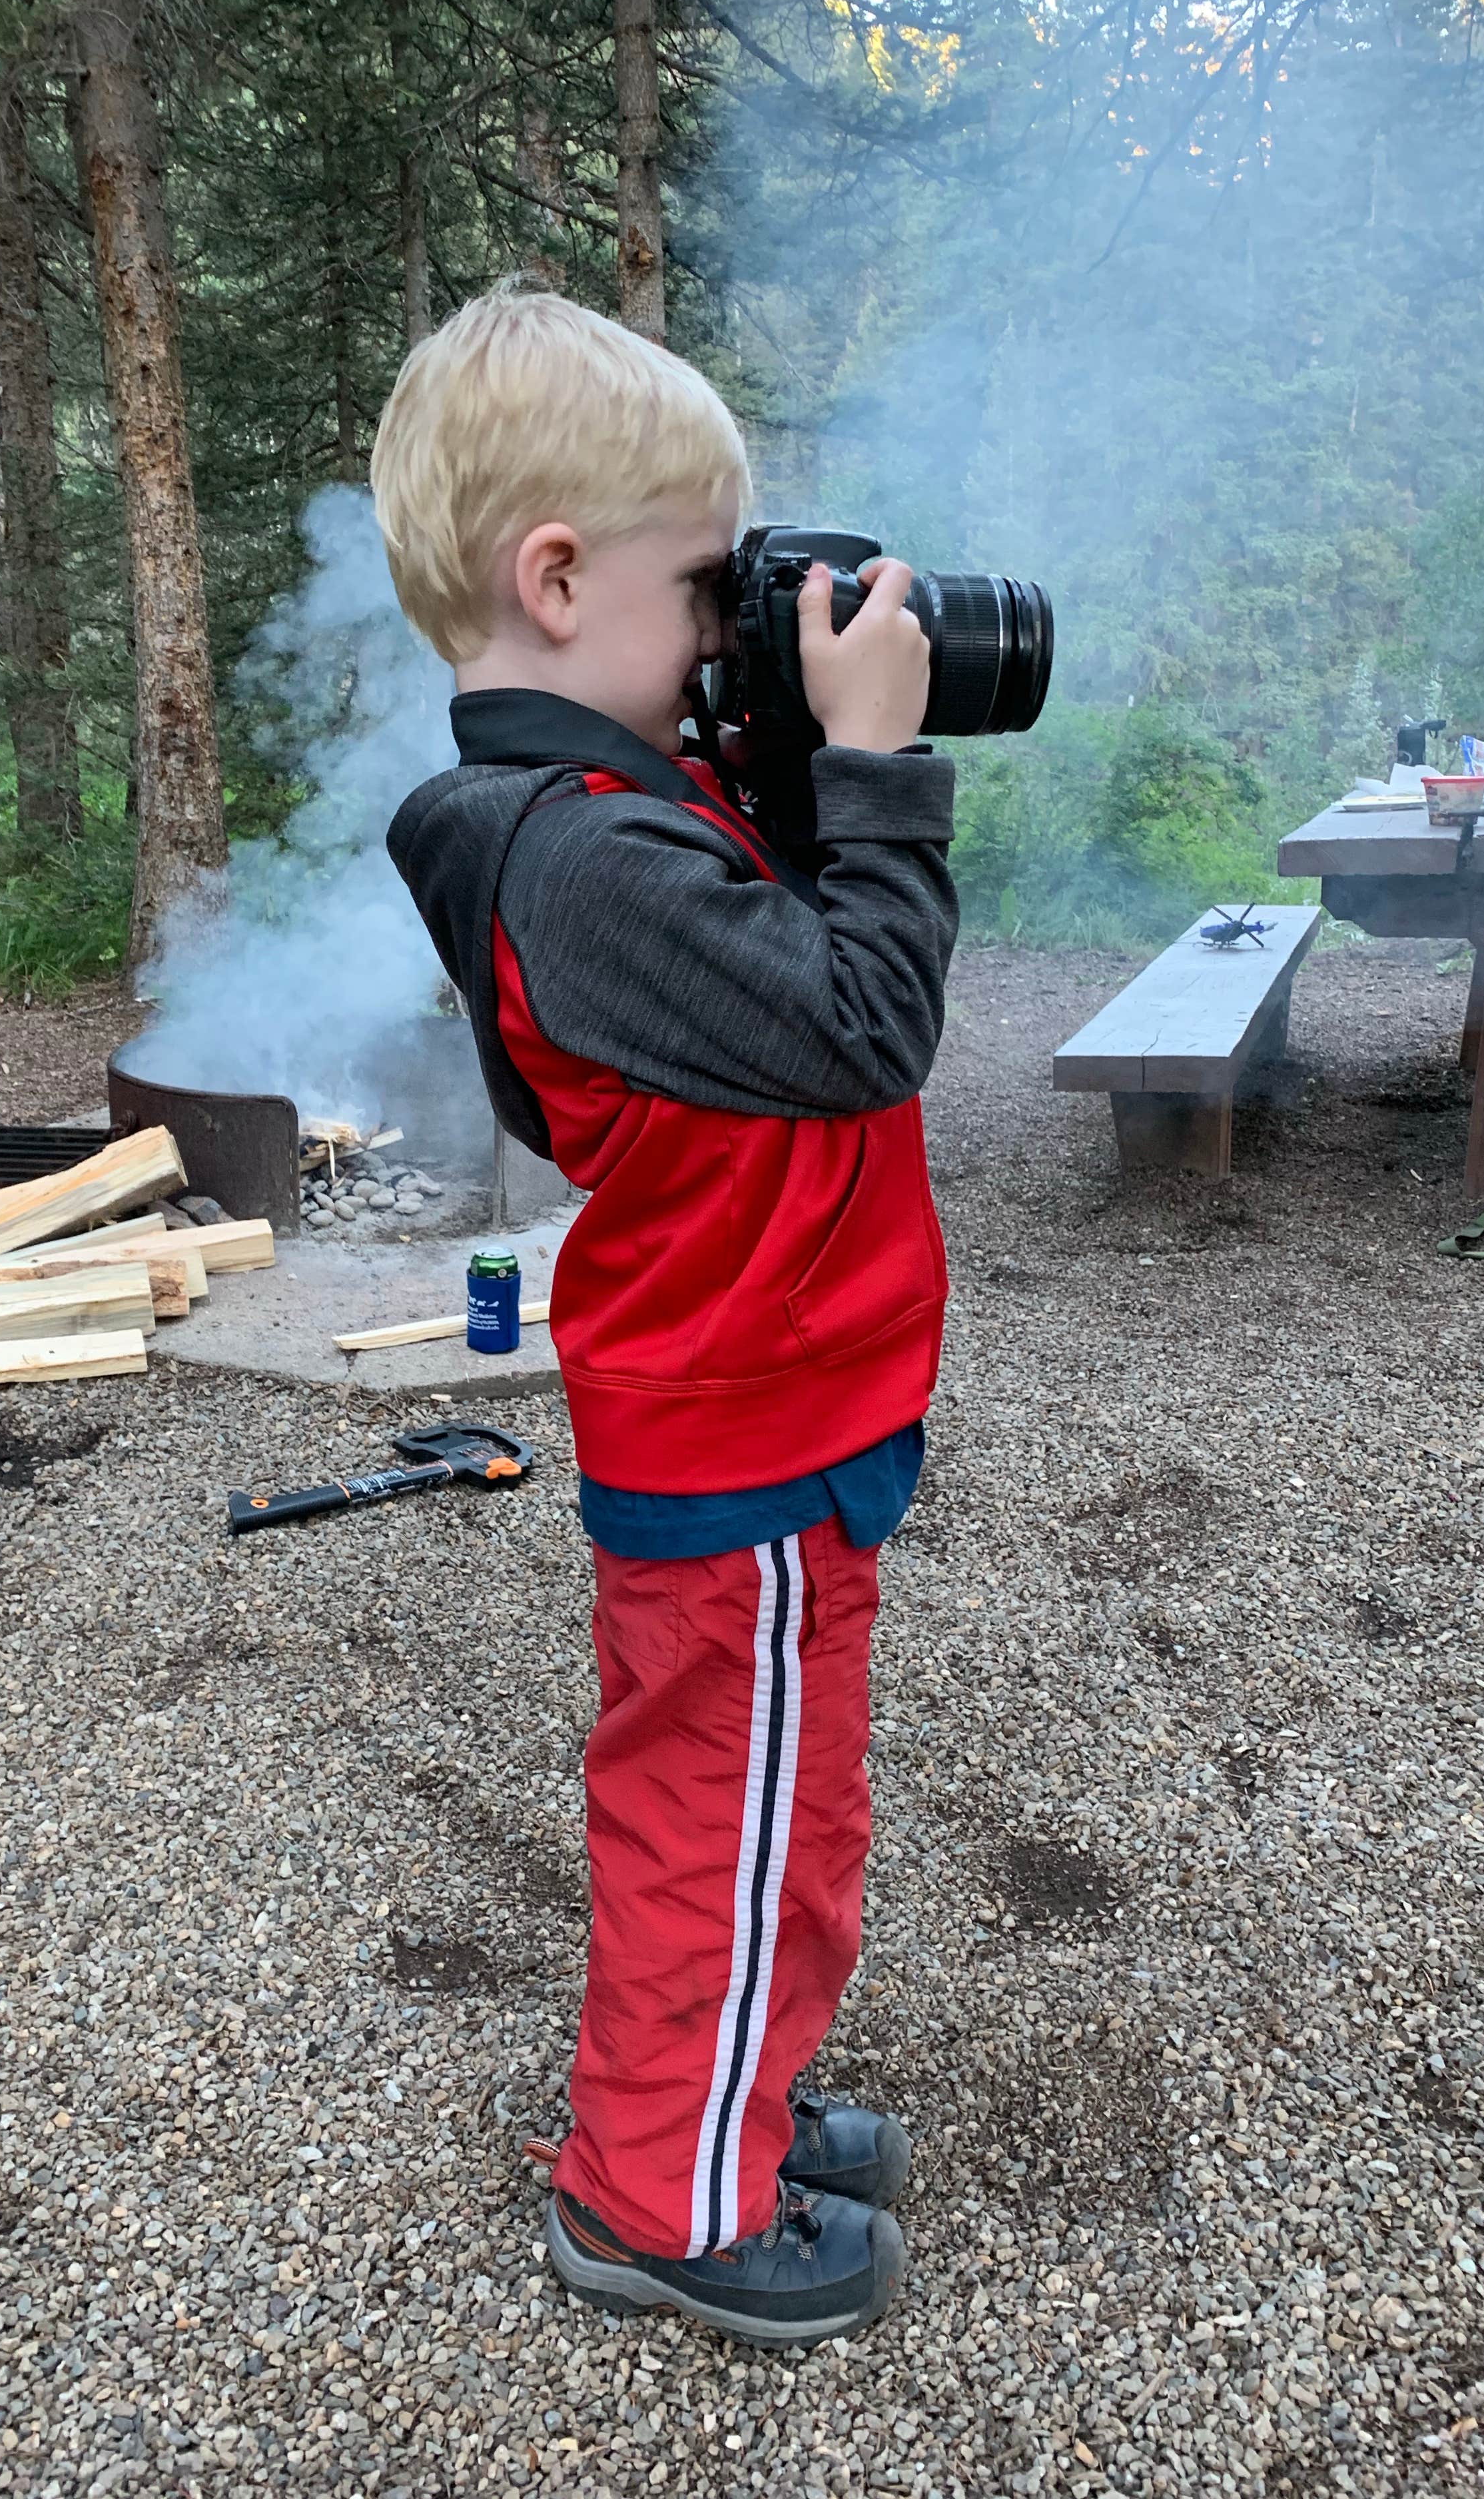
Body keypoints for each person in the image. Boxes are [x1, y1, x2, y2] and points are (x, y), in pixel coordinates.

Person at [377, 286, 958, 2348]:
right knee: (728, 1830)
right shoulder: (584, 858)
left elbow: (769, 986)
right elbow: (863, 1021)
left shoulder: (608, 824)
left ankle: (731, 2109)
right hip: (746, 1425)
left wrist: (785, 765)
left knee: (771, 1812)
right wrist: (875, 769)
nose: (733, 634)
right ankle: (660, 2201)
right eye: (711, 591)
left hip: (756, 1402)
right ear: (557, 581)